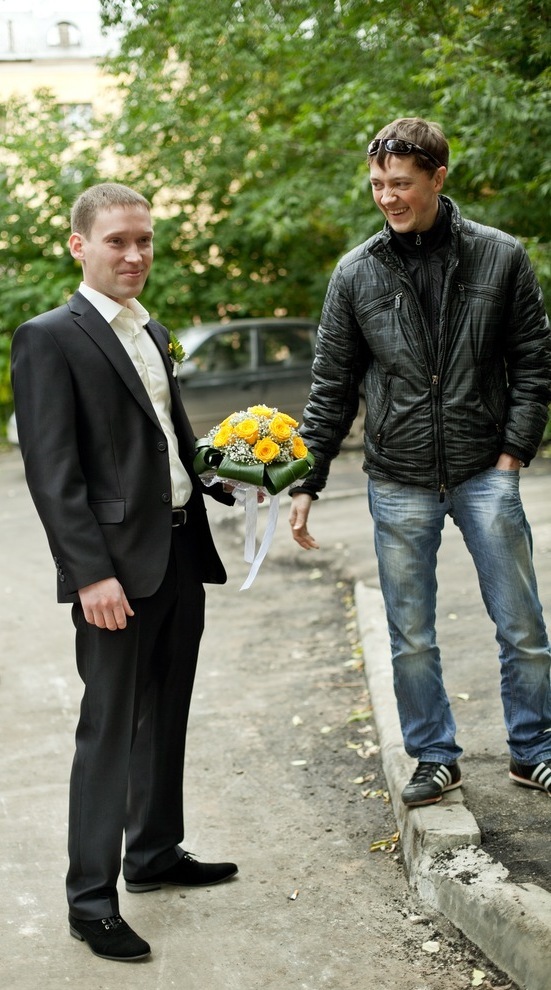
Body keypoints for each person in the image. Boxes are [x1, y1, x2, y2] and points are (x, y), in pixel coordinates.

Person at [289, 117, 551, 809]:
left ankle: (533, 750)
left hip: (484, 470)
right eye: (378, 184)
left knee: (522, 625)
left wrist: (512, 455)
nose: (387, 197)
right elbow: (332, 386)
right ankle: (434, 757)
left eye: (401, 183)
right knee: (410, 636)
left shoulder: (500, 257)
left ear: (437, 177)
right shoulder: (355, 272)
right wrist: (307, 480)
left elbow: (533, 364)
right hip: (397, 479)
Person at [11, 183, 239, 962]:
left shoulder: (154, 330)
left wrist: (230, 475)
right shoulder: (50, 337)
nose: (135, 254)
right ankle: (89, 901)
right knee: (108, 730)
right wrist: (89, 576)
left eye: (144, 240)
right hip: (113, 572)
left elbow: (170, 441)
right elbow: (53, 471)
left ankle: (154, 852)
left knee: (166, 713)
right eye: (117, 241)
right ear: (79, 245)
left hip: (179, 553)